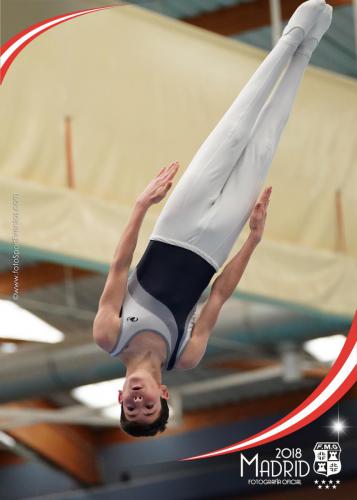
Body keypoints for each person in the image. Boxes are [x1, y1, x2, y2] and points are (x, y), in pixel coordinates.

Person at [93, 0, 333, 437]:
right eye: (148, 409)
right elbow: (219, 295)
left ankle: (291, 36)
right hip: (214, 246)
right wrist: (253, 241)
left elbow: (119, 266)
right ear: (164, 397)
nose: (137, 401)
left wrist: (140, 206)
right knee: (262, 144)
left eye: (130, 409)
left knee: (235, 131)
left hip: (172, 228)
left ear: (120, 400)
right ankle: (309, 47)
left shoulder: (108, 335)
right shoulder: (186, 354)